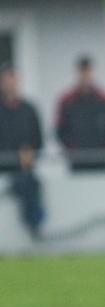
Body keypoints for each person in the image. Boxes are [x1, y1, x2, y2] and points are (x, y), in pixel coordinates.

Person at [0, 62, 44, 239]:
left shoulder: (29, 110)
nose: (11, 84)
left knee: (30, 181)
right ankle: (34, 225)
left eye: (14, 79)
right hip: (4, 168)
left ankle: (35, 224)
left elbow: (38, 141)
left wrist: (30, 154)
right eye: (7, 80)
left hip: (23, 169)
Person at [55, 55, 105, 172]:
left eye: (88, 71)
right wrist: (71, 151)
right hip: (77, 162)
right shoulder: (67, 101)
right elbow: (60, 130)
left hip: (101, 161)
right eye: (82, 71)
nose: (85, 75)